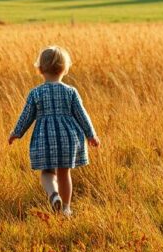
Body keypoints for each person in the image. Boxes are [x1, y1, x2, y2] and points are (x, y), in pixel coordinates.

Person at [9, 46, 100, 216]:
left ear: (40, 69)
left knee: (47, 172)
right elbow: (82, 115)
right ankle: (66, 208)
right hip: (68, 139)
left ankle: (53, 195)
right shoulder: (70, 92)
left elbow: (26, 116)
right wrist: (91, 134)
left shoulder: (35, 93)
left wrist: (16, 132)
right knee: (64, 173)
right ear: (65, 69)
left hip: (45, 139)